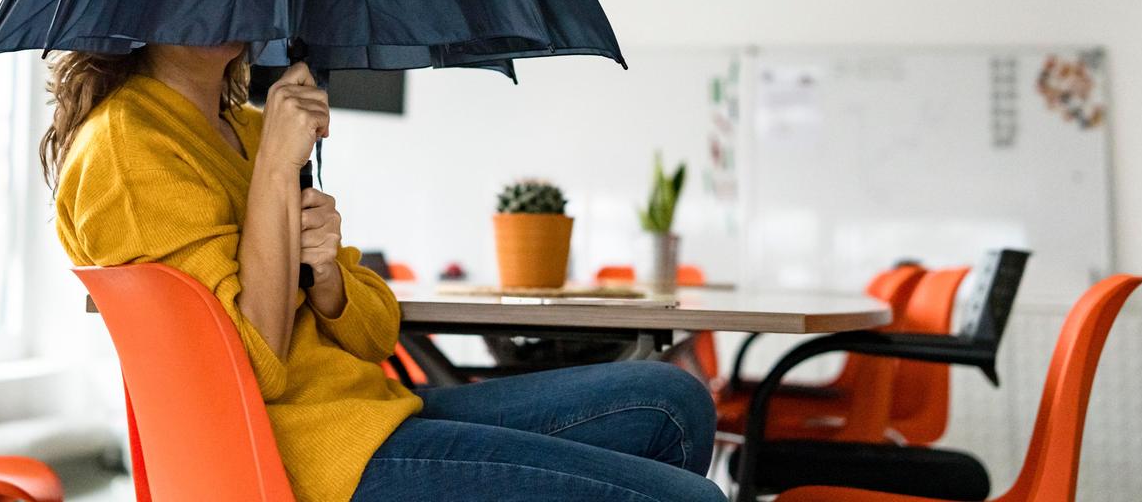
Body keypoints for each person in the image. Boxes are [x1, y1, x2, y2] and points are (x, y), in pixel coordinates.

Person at [52, 42, 725, 502]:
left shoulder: (250, 129)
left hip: (368, 411)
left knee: (674, 402)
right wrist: (274, 179)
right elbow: (247, 369)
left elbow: (375, 333)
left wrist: (327, 277)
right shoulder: (126, 148)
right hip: (307, 457)